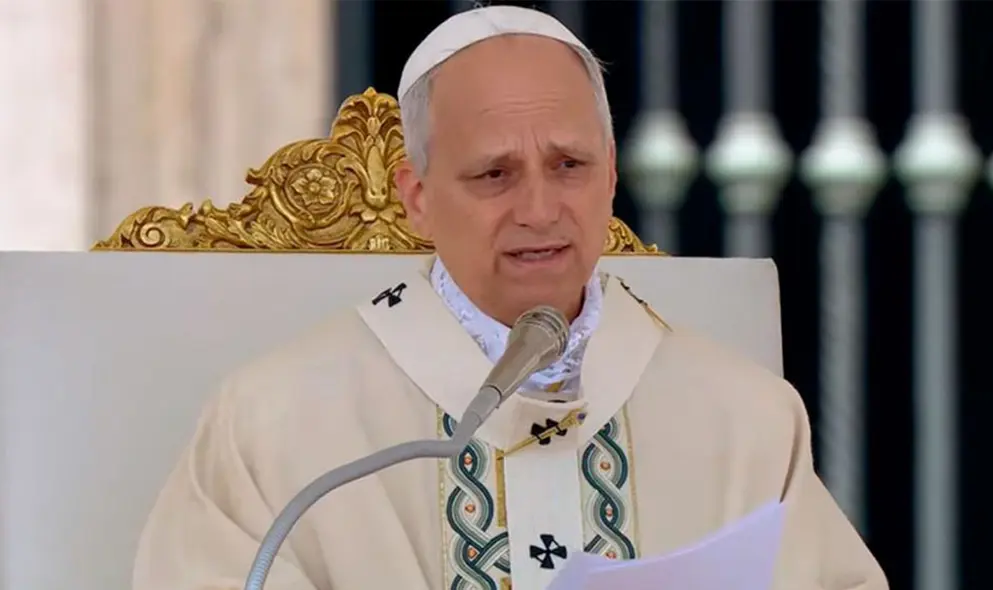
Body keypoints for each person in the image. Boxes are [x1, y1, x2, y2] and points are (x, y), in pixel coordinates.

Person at [133, 5, 888, 590]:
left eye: (568, 165)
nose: (538, 209)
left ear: (612, 174)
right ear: (418, 198)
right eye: (494, 174)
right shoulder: (272, 426)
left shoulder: (750, 420)